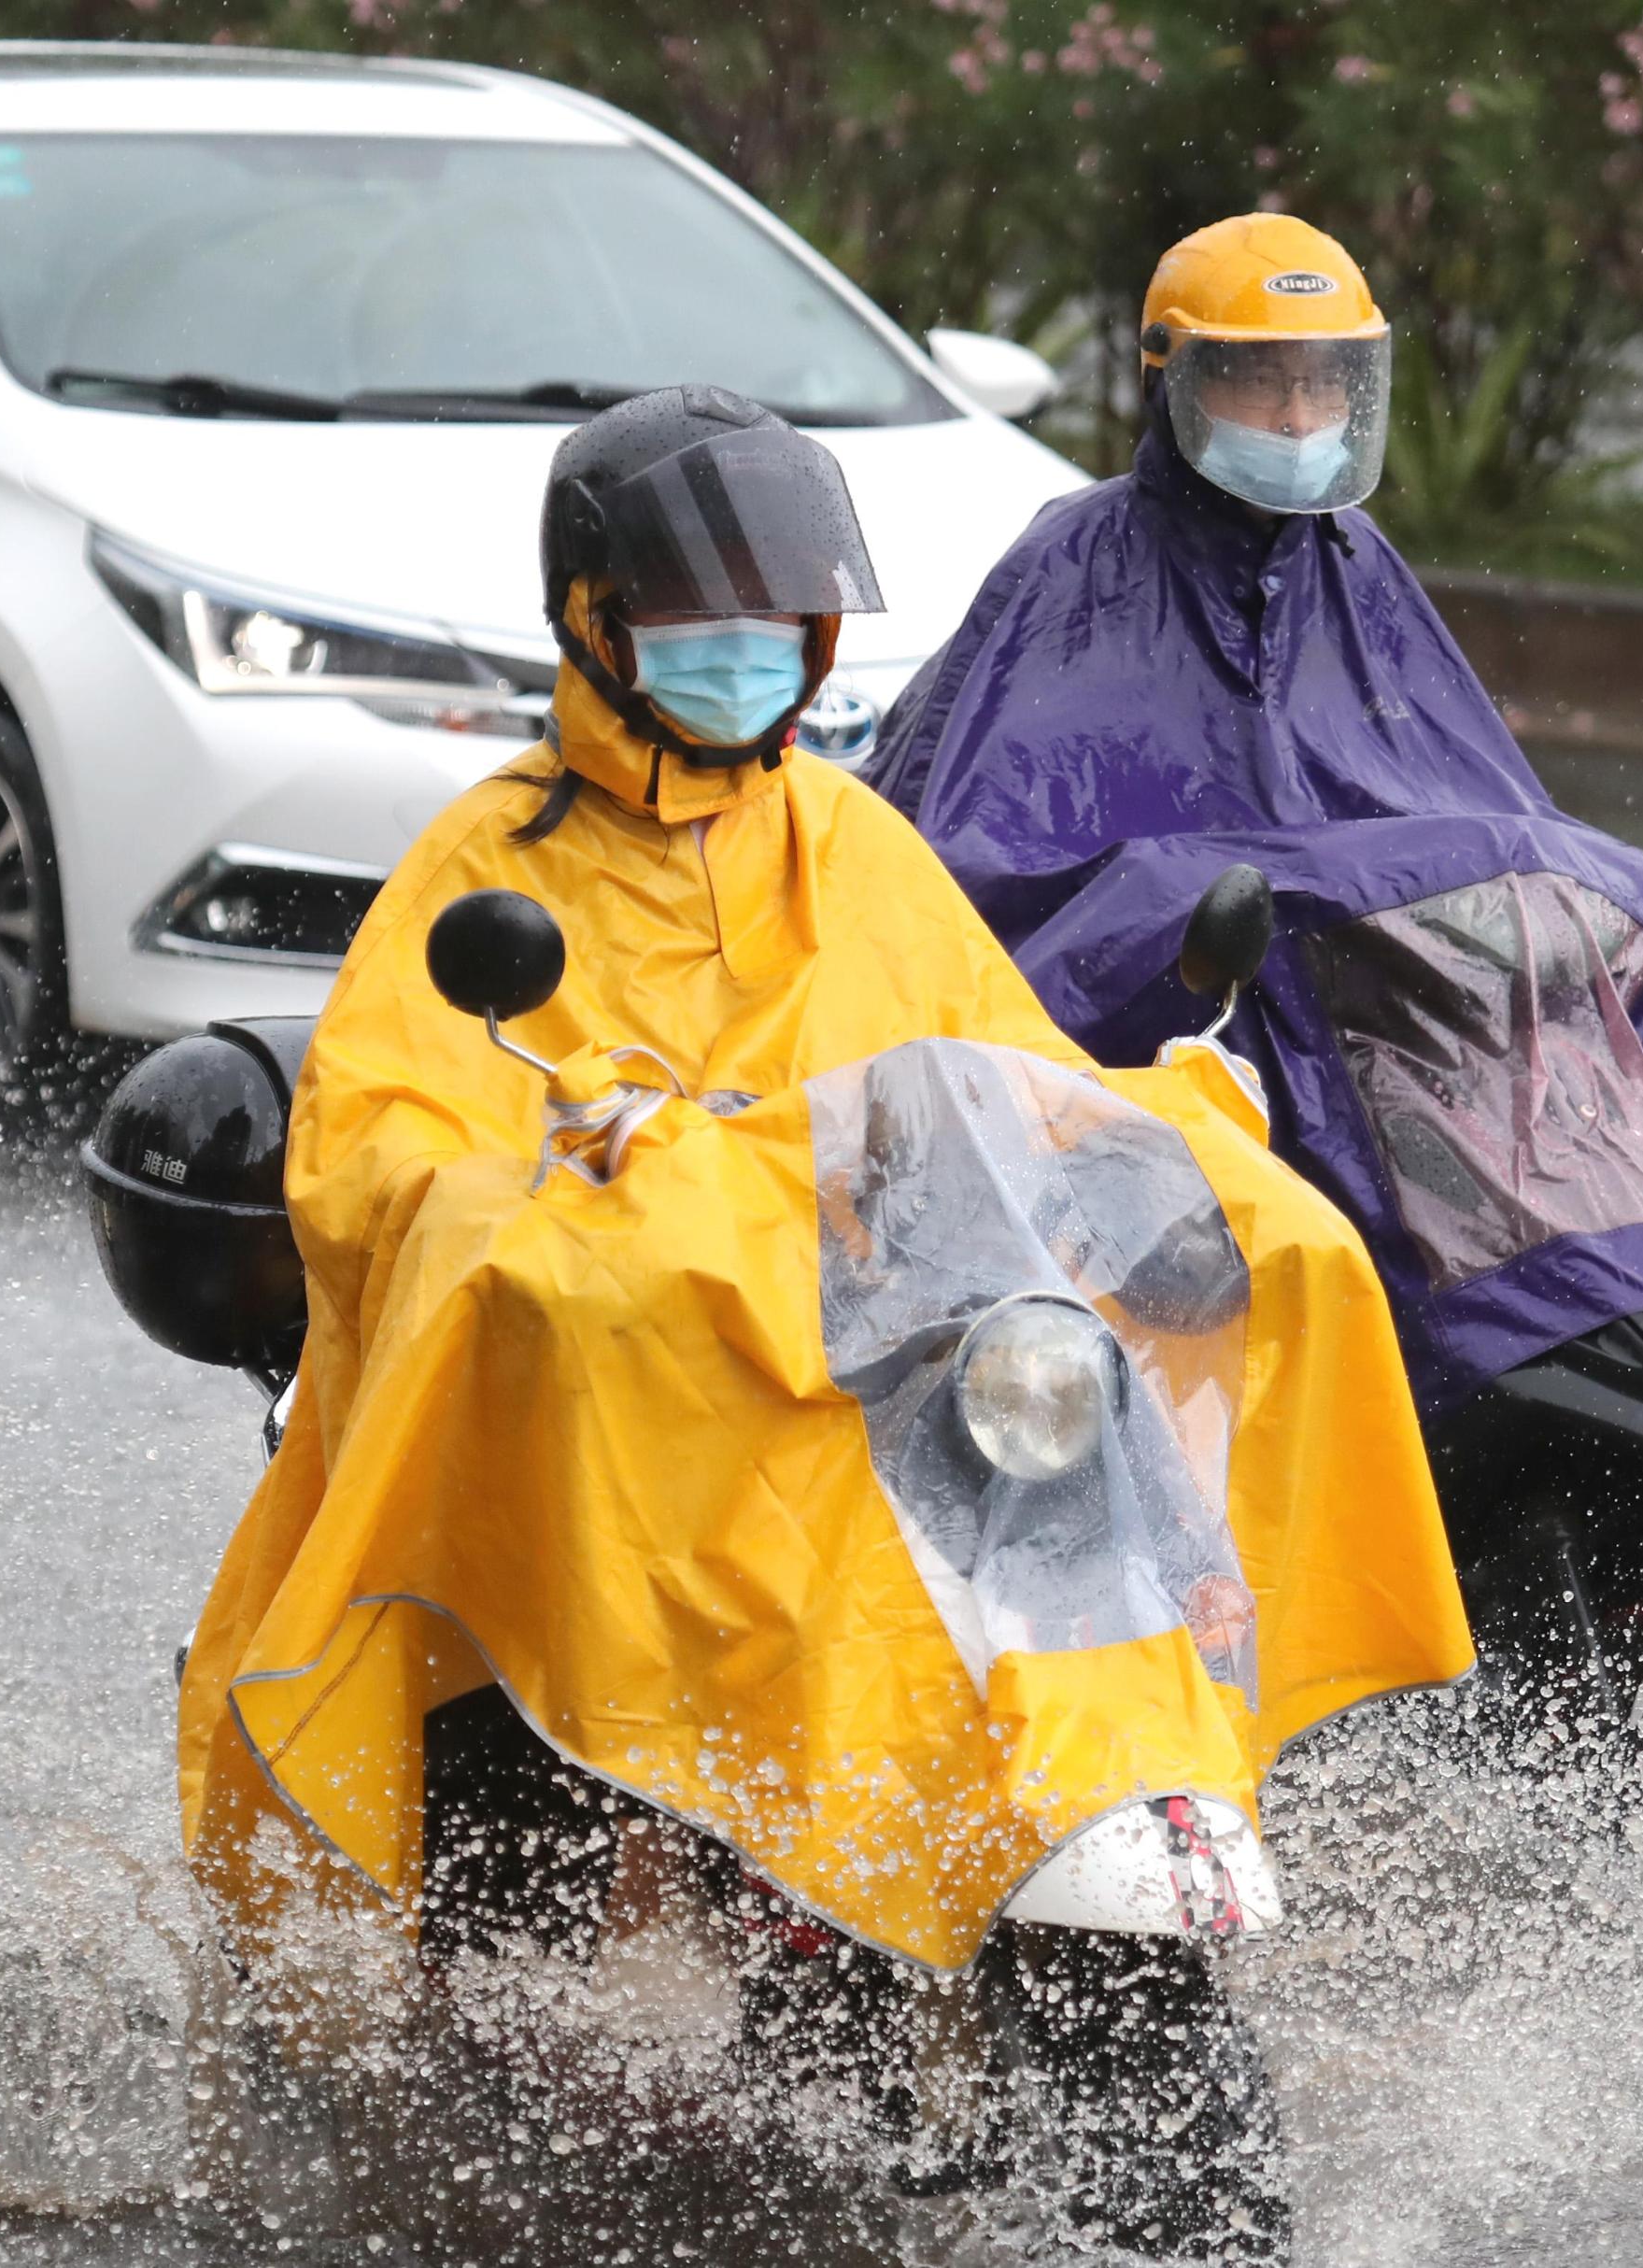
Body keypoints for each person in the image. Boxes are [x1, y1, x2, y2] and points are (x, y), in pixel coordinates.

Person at [176, 385, 1469, 1981]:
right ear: (593, 620)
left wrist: (1171, 1132)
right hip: (642, 1427)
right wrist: (528, 1194)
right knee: (508, 1939)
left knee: (1260, 1251)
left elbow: (997, 1066)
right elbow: (377, 1147)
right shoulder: (485, 863)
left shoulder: (852, 841)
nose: (745, 647)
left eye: (776, 616)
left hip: (890, 1386)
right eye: (692, 616)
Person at [867, 216, 1643, 1416]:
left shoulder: (1356, 569)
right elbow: (983, 885)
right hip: (1181, 1058)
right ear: (1175, 379)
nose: (1299, 421)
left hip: (1350, 1023)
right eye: (1260, 379)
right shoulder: (1073, 570)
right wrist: (1181, 921)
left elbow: (1479, 819)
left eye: (1323, 383)